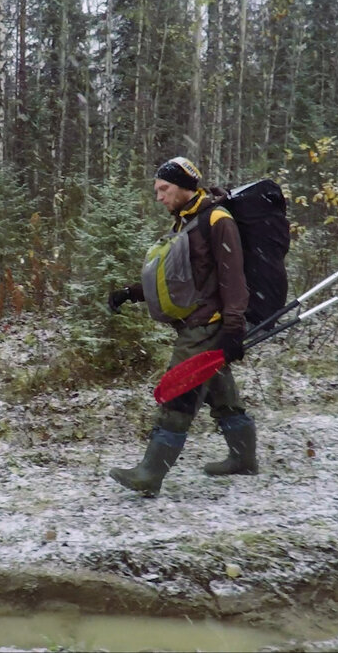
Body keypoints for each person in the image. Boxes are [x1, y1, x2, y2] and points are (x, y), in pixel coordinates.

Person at [106, 156, 259, 497]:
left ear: (185, 188)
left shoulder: (217, 220)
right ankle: (243, 458)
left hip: (209, 325)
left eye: (164, 189)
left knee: (179, 391)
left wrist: (234, 328)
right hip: (198, 322)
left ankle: (150, 473)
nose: (159, 196)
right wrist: (132, 293)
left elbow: (234, 278)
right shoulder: (185, 222)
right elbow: (181, 279)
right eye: (157, 190)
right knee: (221, 393)